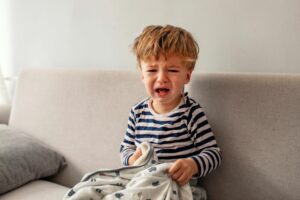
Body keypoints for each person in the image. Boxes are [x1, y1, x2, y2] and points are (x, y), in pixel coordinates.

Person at [120, 25, 221, 188]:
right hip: (141, 184)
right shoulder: (137, 112)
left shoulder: (191, 113)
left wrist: (192, 164)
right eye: (152, 70)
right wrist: (131, 158)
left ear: (187, 76)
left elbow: (213, 153)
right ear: (142, 75)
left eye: (172, 70)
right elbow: (126, 148)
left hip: (177, 188)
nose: (161, 78)